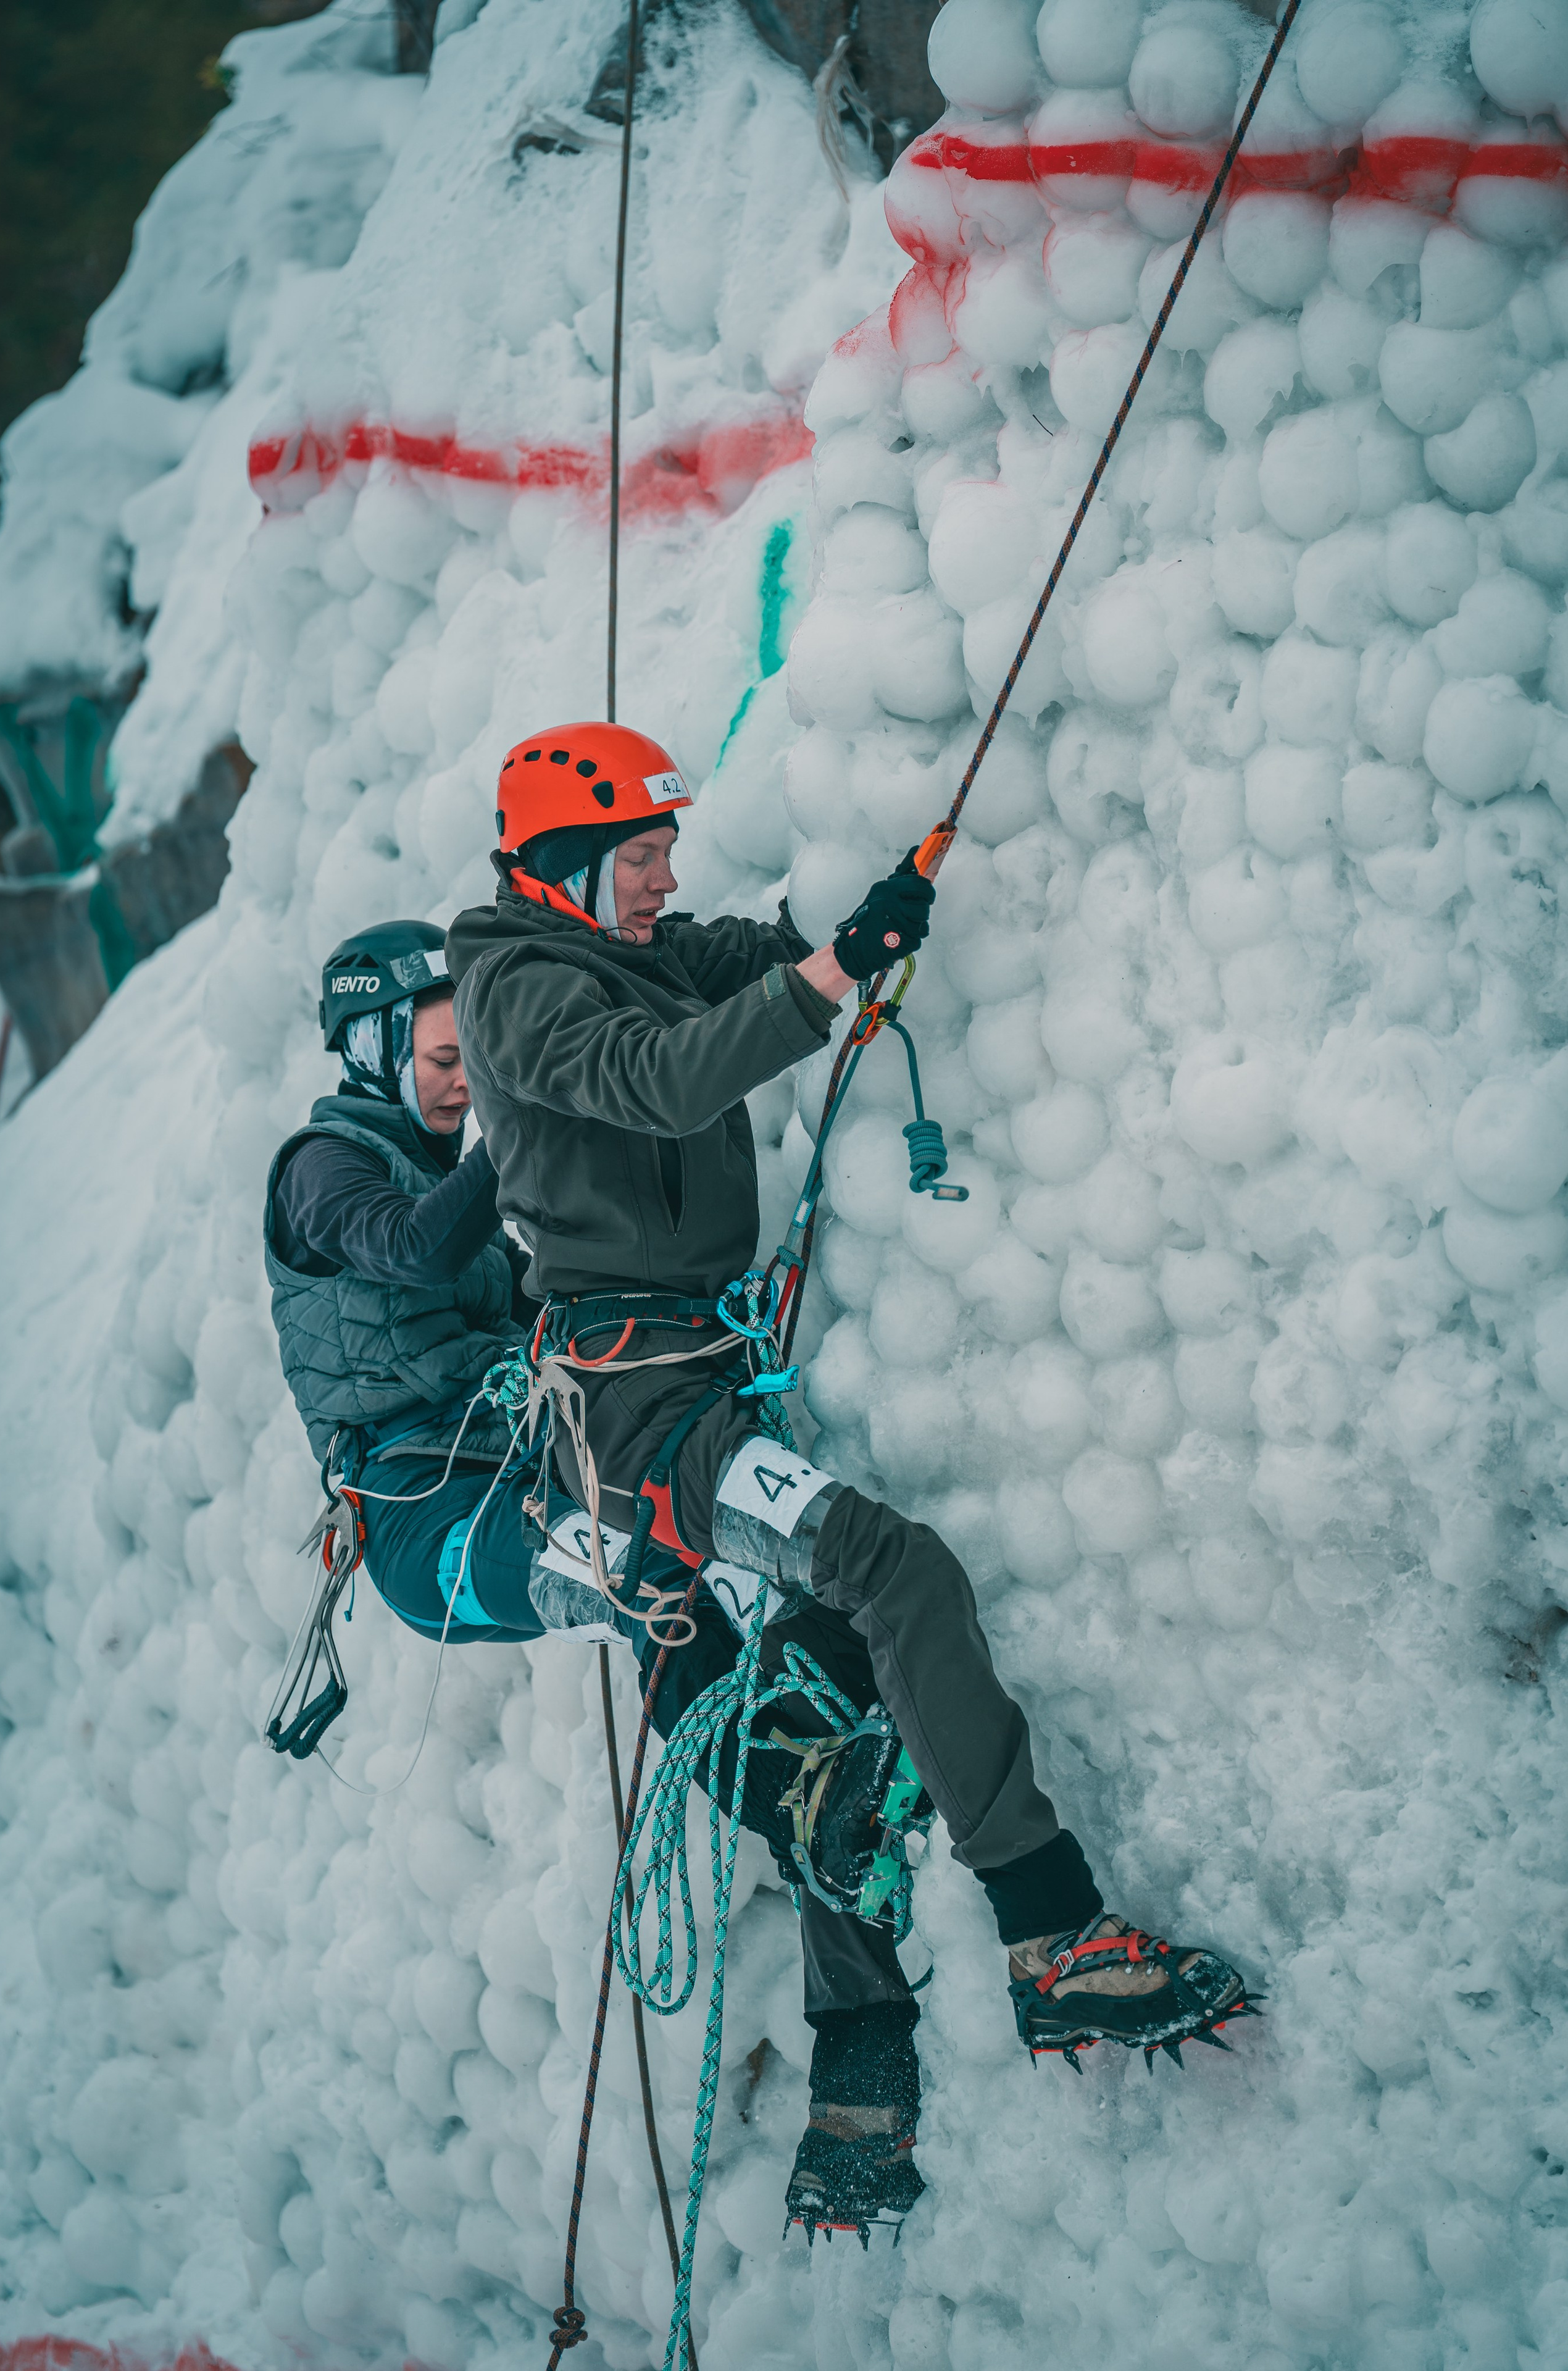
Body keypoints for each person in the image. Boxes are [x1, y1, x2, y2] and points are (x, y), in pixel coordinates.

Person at [445, 723, 1256, 2239]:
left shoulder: (615, 952)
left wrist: (851, 931)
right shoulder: (518, 987)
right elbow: (663, 1071)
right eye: (636, 855)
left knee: (825, 1700)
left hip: (686, 1385)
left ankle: (859, 2093)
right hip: (640, 1428)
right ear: (561, 867)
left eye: (663, 853)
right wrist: (816, 986)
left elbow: (724, 967)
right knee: (894, 1573)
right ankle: (1052, 1932)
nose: (661, 876)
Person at [262, 921, 551, 1648]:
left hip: (517, 1460)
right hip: (422, 1516)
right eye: (445, 1059)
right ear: (376, 1053)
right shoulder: (319, 1169)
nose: (466, 1084)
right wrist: (521, 1121)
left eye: (474, 1061)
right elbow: (414, 1250)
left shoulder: (449, 1194)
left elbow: (546, 1306)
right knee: (614, 1568)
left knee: (681, 1583)